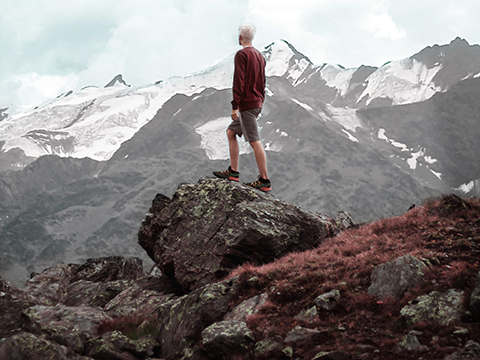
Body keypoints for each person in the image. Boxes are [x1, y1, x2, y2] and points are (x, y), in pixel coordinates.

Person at [213, 23, 271, 192]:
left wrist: (235, 106)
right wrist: (260, 101)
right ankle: (233, 171)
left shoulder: (241, 55)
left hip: (247, 104)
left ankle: (264, 181)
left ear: (240, 38)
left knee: (254, 141)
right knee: (231, 132)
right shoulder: (260, 56)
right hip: (257, 102)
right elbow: (263, 82)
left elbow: (239, 81)